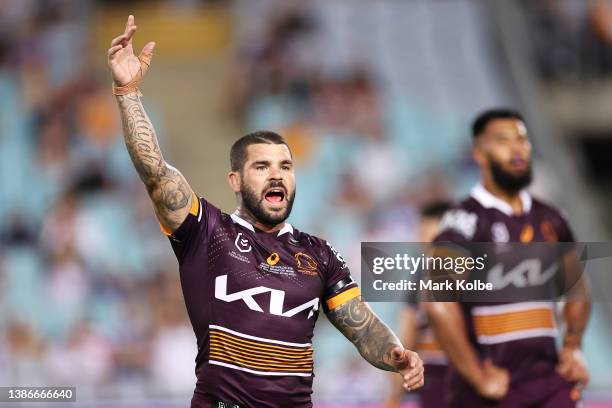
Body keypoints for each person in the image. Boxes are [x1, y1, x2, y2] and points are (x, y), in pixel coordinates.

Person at [107, 15, 424, 408]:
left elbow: (361, 326)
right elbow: (156, 173)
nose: (276, 176)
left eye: (285, 167)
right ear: (235, 180)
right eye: (262, 167)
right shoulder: (207, 232)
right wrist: (128, 91)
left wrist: (396, 354)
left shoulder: (320, 255)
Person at [425, 109, 590, 407]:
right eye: (503, 141)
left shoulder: (552, 218)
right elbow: (438, 304)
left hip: (550, 384)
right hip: (492, 391)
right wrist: (477, 376)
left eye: (523, 140)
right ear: (479, 154)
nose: (517, 149)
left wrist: (573, 345)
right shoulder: (464, 221)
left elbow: (577, 287)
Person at [386, 202, 452, 408]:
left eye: (426, 231)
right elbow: (407, 338)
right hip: (436, 381)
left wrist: (393, 399)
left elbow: (407, 338)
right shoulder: (420, 278)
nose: (421, 238)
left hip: (454, 380)